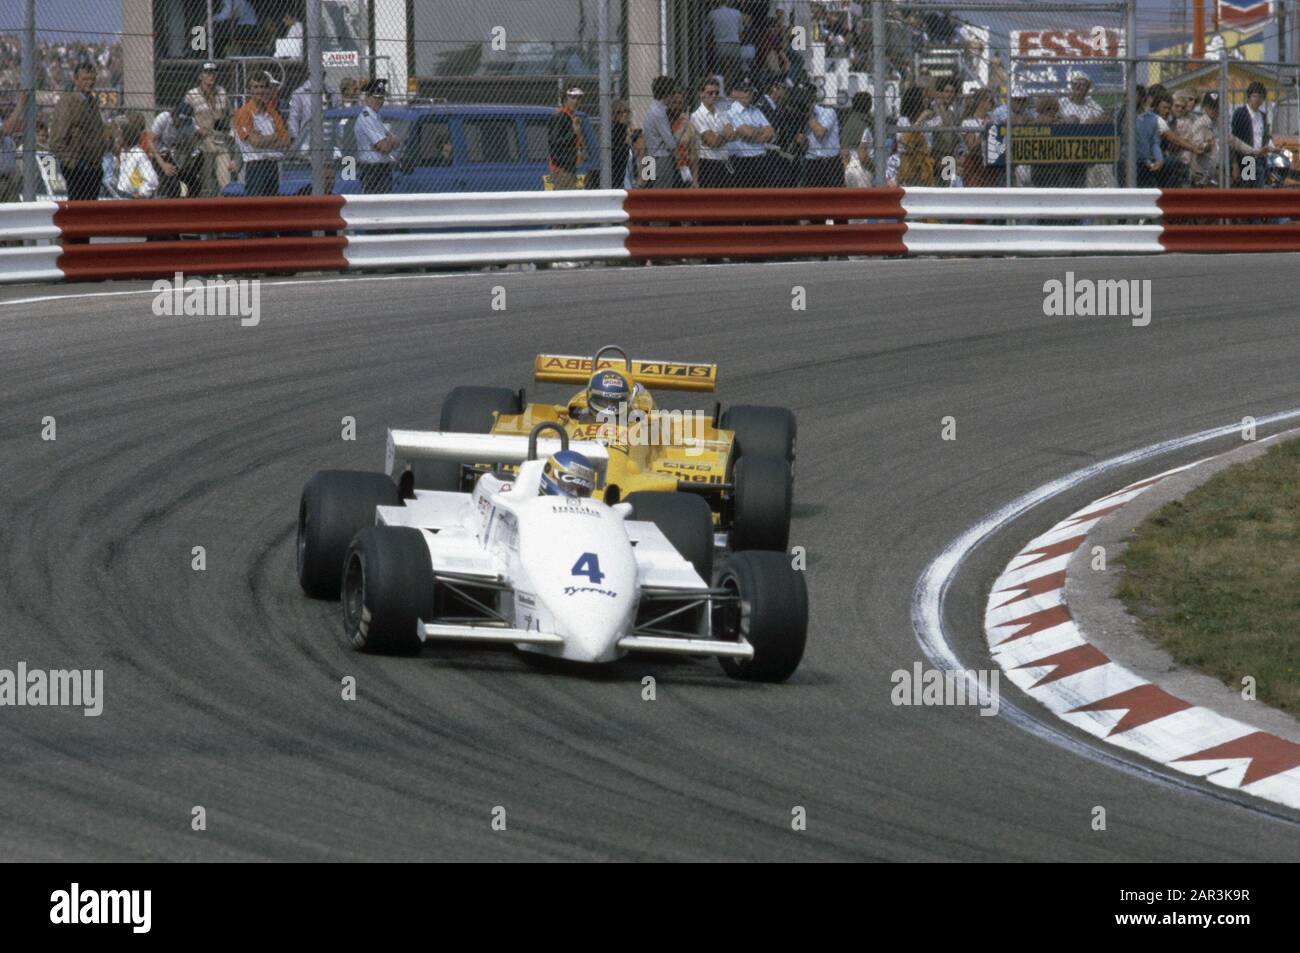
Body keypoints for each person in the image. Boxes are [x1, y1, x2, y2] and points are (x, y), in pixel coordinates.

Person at [50, 59, 110, 203]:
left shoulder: (92, 102)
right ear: (75, 80)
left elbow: (97, 133)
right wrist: (73, 164)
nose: (90, 82)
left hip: (93, 167)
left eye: (92, 79)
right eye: (85, 79)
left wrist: (98, 161)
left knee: (91, 208)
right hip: (77, 168)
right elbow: (57, 140)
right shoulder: (68, 102)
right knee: (77, 207)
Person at [233, 71, 289, 196]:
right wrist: (275, 136)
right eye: (256, 87)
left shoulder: (273, 113)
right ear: (249, 90)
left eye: (263, 87)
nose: (260, 91)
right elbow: (255, 142)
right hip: (255, 166)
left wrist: (262, 139)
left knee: (272, 204)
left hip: (273, 165)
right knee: (255, 204)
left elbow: (286, 142)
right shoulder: (244, 113)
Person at [185, 62, 233, 196]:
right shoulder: (191, 95)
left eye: (213, 72)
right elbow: (185, 118)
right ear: (200, 76)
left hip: (222, 142)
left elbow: (231, 114)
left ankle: (225, 204)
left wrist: (232, 133)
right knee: (207, 184)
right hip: (203, 144)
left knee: (226, 183)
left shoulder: (222, 92)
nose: (211, 76)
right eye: (207, 72)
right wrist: (197, 128)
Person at [724, 76, 772, 187]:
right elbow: (747, 133)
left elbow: (770, 133)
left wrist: (751, 134)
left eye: (750, 91)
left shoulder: (756, 110)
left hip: (760, 159)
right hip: (741, 161)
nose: (749, 94)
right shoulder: (731, 111)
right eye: (745, 91)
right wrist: (760, 131)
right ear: (735, 92)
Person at [354, 79, 399, 194]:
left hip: (383, 169)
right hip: (372, 171)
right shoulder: (367, 117)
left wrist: (385, 143)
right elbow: (385, 147)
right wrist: (387, 142)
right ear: (367, 98)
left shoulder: (376, 117)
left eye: (381, 98)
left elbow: (397, 142)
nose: (379, 101)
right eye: (375, 97)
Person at [1231, 81, 1276, 187]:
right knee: (1247, 189)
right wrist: (1234, 164)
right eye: (1254, 96)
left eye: (1260, 97)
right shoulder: (1241, 113)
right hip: (1247, 158)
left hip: (1261, 159)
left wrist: (1272, 147)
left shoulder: (1263, 116)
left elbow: (1265, 137)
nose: (1257, 99)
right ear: (1249, 97)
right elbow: (1233, 140)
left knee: (1259, 189)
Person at [643, 76, 685, 189]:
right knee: (662, 191)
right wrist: (682, 127)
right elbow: (671, 143)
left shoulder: (652, 108)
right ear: (668, 94)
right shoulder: (659, 113)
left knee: (652, 189)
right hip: (661, 159)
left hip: (651, 156)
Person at [691, 78, 734, 187]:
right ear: (701, 94)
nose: (714, 95)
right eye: (710, 93)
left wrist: (719, 136)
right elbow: (712, 142)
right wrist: (724, 135)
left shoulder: (721, 113)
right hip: (707, 164)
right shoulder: (697, 116)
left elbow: (732, 134)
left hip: (724, 162)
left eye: (717, 93)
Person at [547, 85, 587, 189]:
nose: (576, 101)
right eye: (573, 98)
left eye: (578, 98)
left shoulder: (571, 117)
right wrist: (573, 133)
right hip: (561, 169)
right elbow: (555, 141)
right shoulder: (560, 116)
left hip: (570, 167)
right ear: (565, 99)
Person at [802, 89, 842, 186]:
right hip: (811, 162)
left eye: (808, 102)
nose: (805, 106)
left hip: (830, 162)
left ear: (813, 101)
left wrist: (808, 116)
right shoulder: (797, 114)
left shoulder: (828, 112)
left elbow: (820, 132)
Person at [116, 113, 158, 199]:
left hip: (131, 198)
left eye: (119, 136)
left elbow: (153, 181)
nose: (117, 139)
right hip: (120, 196)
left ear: (126, 137)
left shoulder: (139, 155)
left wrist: (141, 194)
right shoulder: (123, 153)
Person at [1188, 91, 1220, 187]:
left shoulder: (1218, 123)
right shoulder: (1201, 123)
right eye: (1211, 106)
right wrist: (1207, 145)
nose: (1214, 109)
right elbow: (1197, 146)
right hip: (1201, 173)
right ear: (1205, 107)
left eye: (1216, 106)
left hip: (1214, 171)